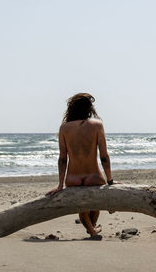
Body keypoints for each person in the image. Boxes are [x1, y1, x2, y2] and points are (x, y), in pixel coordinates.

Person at [46, 93, 115, 240]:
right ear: (90, 108)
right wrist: (110, 180)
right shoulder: (97, 125)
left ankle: (92, 229)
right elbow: (104, 156)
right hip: (94, 176)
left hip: (73, 178)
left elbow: (62, 159)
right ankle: (92, 231)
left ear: (71, 109)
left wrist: (60, 185)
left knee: (82, 207)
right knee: (95, 204)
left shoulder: (64, 128)